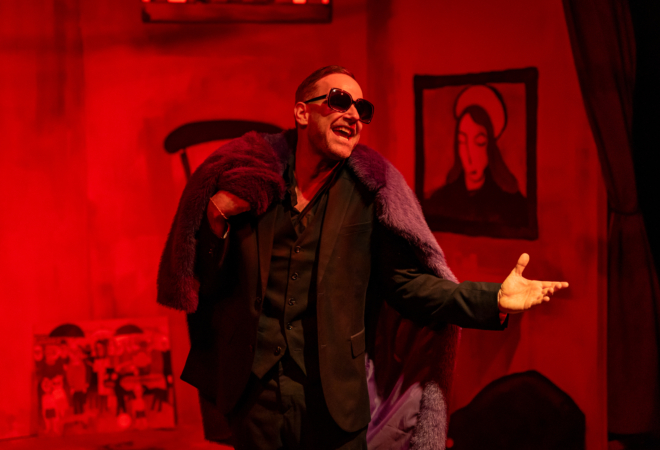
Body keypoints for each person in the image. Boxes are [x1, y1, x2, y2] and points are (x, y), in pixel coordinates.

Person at [157, 66, 568, 449]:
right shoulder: (253, 184)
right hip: (255, 398)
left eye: (362, 108)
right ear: (302, 112)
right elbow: (207, 283)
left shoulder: (370, 193)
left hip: (334, 401)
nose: (353, 114)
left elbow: (406, 284)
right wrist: (215, 219)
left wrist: (493, 299)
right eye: (339, 100)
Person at [424, 85, 528, 228]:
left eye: (479, 142)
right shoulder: (440, 202)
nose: (470, 156)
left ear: (490, 146)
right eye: (462, 141)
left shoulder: (512, 206)